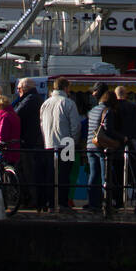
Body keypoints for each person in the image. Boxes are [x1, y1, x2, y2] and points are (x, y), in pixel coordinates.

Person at [40, 77, 82, 211]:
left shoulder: (45, 103)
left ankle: (51, 203)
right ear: (66, 88)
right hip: (66, 143)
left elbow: (41, 124)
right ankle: (62, 203)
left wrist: (46, 138)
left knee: (50, 175)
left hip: (49, 143)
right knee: (64, 175)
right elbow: (75, 126)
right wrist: (73, 141)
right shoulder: (68, 103)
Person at [15, 78, 46, 210]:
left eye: (19, 89)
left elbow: (17, 114)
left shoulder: (30, 99)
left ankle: (33, 200)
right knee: (29, 172)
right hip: (33, 140)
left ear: (23, 89)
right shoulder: (35, 98)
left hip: (29, 141)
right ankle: (32, 199)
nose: (18, 91)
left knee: (29, 173)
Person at [85, 82, 109, 212]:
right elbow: (107, 128)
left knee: (93, 175)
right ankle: (106, 202)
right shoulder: (105, 110)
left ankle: (93, 202)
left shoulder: (92, 111)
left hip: (90, 145)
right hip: (100, 145)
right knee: (105, 175)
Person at [0, 94, 21, 165]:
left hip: (6, 150)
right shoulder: (13, 114)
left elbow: (2, 135)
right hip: (15, 147)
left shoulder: (4, 117)